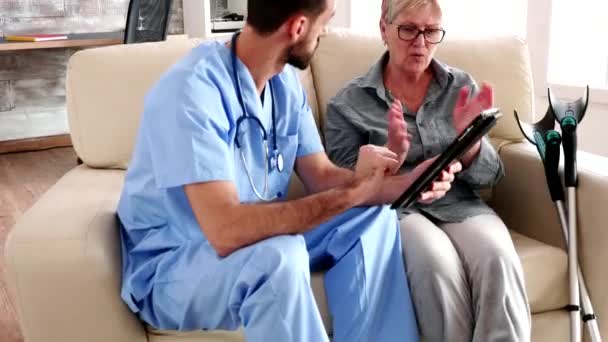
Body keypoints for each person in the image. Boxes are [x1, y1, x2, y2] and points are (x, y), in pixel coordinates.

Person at [116, 0, 463, 341]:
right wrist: (350, 192)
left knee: (373, 218)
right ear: (298, 27)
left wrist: (410, 181)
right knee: (279, 258)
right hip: (175, 265)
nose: (325, 31)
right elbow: (225, 231)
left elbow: (322, 176)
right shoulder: (191, 91)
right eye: (324, 21)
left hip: (256, 237)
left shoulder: (283, 85)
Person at [324, 0, 532, 341]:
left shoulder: (460, 86)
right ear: (384, 28)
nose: (420, 43)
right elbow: (343, 190)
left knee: (497, 256)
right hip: (399, 213)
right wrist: (391, 157)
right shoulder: (348, 103)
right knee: (436, 263)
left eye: (431, 31)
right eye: (408, 29)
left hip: (460, 205)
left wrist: (471, 144)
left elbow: (490, 176)